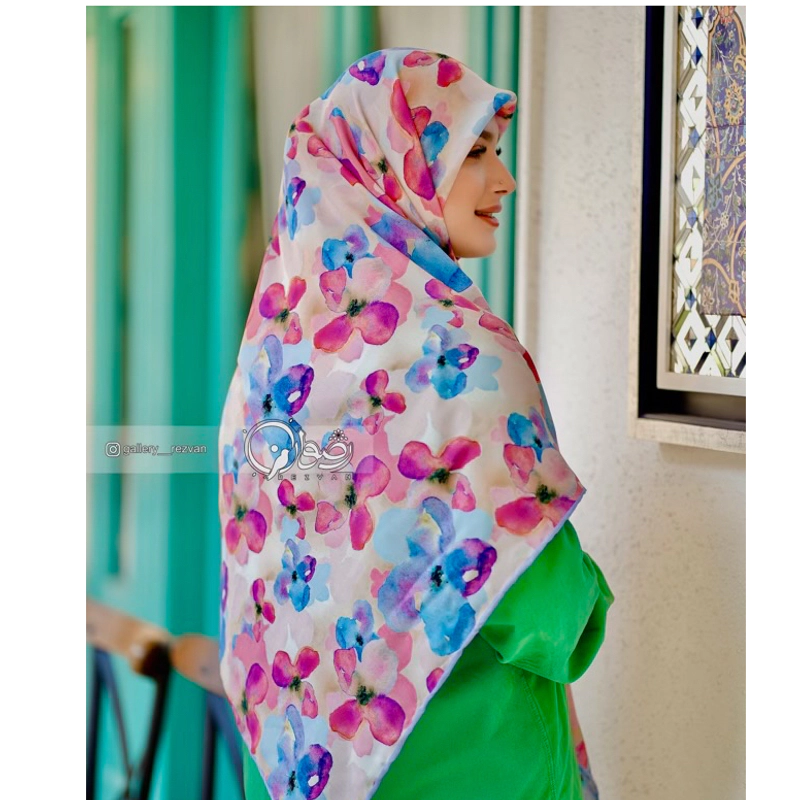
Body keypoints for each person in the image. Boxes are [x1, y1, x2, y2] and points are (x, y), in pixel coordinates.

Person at [218, 47, 613, 800]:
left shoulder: (265, 373)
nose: (504, 179)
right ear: (391, 166)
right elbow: (553, 616)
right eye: (474, 151)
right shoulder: (463, 363)